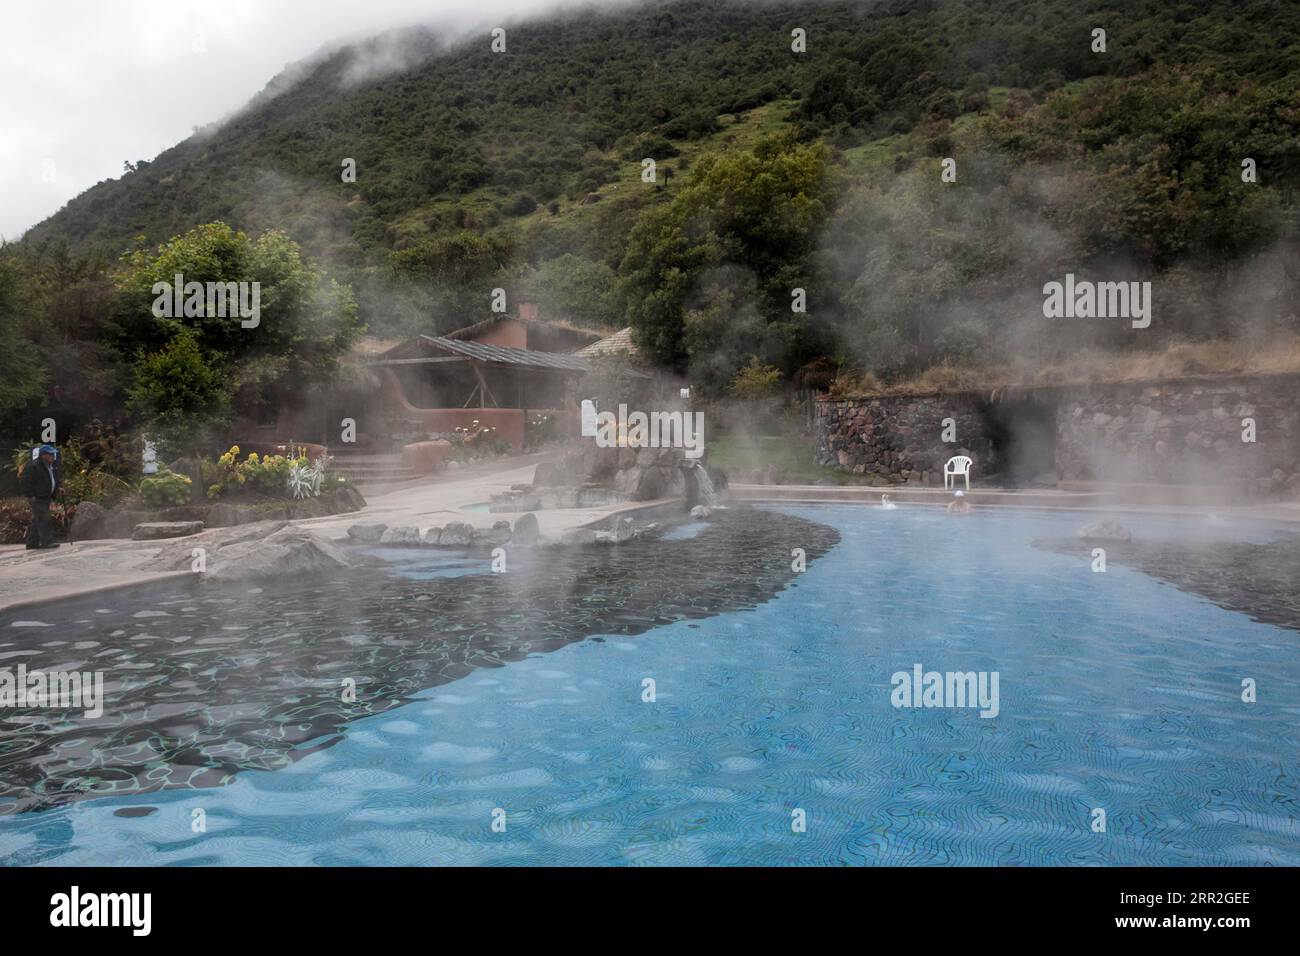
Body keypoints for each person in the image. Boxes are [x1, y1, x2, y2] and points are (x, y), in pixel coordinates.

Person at [22, 444, 61, 549]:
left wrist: (58, 489)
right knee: (44, 519)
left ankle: (32, 543)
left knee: (37, 520)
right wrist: (30, 496)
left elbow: (51, 480)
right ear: (43, 455)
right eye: (51, 454)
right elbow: (26, 482)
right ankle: (47, 542)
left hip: (46, 497)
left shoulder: (51, 466)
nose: (53, 456)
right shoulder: (34, 465)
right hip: (37, 498)